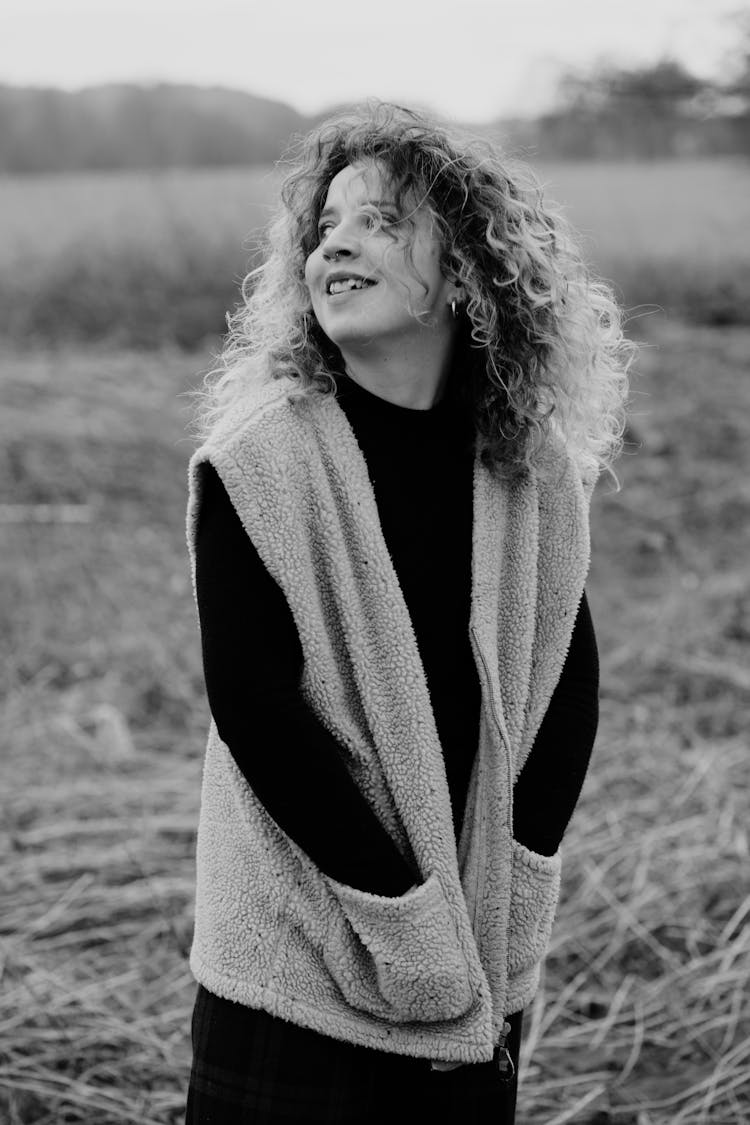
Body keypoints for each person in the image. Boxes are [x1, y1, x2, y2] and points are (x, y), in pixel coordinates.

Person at [183, 101, 633, 1124]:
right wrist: (400, 918)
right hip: (296, 954)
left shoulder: (532, 473)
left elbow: (564, 692)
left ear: (473, 268)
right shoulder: (262, 461)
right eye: (326, 226)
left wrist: (510, 896)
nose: (336, 240)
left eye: (382, 221)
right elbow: (258, 713)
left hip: (477, 947)